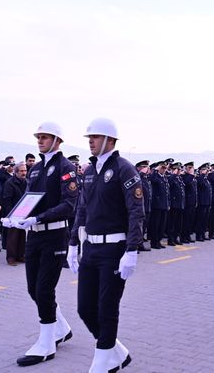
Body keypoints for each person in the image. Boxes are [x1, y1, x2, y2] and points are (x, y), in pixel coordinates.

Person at [67, 118, 143, 371]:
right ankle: (116, 351)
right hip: (91, 248)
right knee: (85, 308)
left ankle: (101, 364)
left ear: (110, 140)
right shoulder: (89, 171)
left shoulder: (124, 169)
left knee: (107, 308)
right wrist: (72, 245)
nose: (91, 141)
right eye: (89, 138)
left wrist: (131, 250)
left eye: (96, 137)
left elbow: (136, 211)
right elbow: (82, 209)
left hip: (114, 249)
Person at [13, 122, 77, 367]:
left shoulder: (66, 167)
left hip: (55, 234)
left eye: (45, 137)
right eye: (38, 137)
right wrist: (16, 216)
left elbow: (69, 204)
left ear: (57, 140)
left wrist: (38, 217)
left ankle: (46, 344)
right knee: (33, 289)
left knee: (44, 289)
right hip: (35, 234)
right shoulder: (37, 168)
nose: (39, 140)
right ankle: (61, 328)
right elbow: (29, 199)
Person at [1, 162, 28, 266]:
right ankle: (11, 257)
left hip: (24, 212)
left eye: (25, 171)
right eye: (21, 171)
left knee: (22, 235)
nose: (24, 173)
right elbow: (7, 199)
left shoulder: (27, 182)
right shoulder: (10, 183)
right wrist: (11, 214)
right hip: (13, 212)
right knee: (13, 236)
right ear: (16, 172)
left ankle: (20, 256)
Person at [149, 161, 170, 249]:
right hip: (157, 205)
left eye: (165, 168)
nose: (164, 170)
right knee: (155, 225)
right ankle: (154, 242)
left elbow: (167, 193)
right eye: (162, 168)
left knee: (162, 225)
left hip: (164, 205)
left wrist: (168, 204)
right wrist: (155, 170)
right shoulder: (155, 176)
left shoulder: (164, 178)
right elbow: (151, 179)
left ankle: (158, 241)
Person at [167, 162, 185, 246]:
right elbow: (169, 184)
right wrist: (173, 174)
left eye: (179, 169)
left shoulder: (179, 178)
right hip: (174, 204)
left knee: (178, 223)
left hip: (180, 204)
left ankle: (175, 237)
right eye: (178, 169)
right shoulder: (171, 177)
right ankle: (170, 239)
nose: (179, 171)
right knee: (172, 223)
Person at [136, 160, 152, 252]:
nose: (147, 169)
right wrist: (141, 174)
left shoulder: (146, 178)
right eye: (145, 167)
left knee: (144, 226)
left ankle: (140, 243)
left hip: (147, 205)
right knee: (138, 227)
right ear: (140, 168)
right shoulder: (138, 177)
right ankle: (136, 245)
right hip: (140, 206)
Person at [181, 162, 198, 244]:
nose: (191, 169)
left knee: (190, 220)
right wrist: (191, 174)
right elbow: (187, 183)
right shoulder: (185, 176)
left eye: (192, 167)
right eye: (189, 167)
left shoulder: (193, 177)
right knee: (186, 220)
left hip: (193, 202)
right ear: (186, 168)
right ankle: (183, 236)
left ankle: (188, 235)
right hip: (187, 202)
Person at [195, 163, 212, 242]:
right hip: (202, 203)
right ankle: (199, 235)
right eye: (205, 169)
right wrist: (202, 174)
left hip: (207, 203)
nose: (207, 171)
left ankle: (203, 234)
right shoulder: (200, 178)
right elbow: (200, 184)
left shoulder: (206, 179)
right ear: (201, 170)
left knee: (205, 220)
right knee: (200, 220)